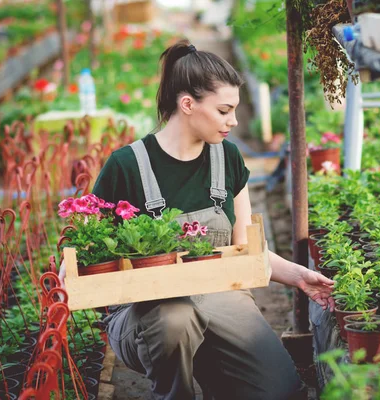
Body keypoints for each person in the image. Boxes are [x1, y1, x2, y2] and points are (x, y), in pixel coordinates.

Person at [59, 41, 335, 400]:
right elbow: (88, 244)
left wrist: (300, 276)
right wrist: (75, 263)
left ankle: (217, 375)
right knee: (176, 318)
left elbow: (244, 250)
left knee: (283, 392)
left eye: (235, 110)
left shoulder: (228, 159)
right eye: (224, 110)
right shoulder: (127, 166)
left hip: (219, 297)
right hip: (146, 312)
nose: (234, 121)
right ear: (187, 104)